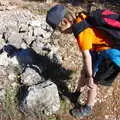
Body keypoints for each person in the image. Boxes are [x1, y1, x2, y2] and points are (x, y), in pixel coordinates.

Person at [46, 4, 120, 118]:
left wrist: (90, 76)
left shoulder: (81, 32)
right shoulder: (80, 18)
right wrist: (87, 71)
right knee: (84, 71)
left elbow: (87, 56)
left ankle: (88, 108)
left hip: (112, 54)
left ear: (64, 22)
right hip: (100, 48)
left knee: (93, 81)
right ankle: (76, 94)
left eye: (58, 29)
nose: (60, 32)